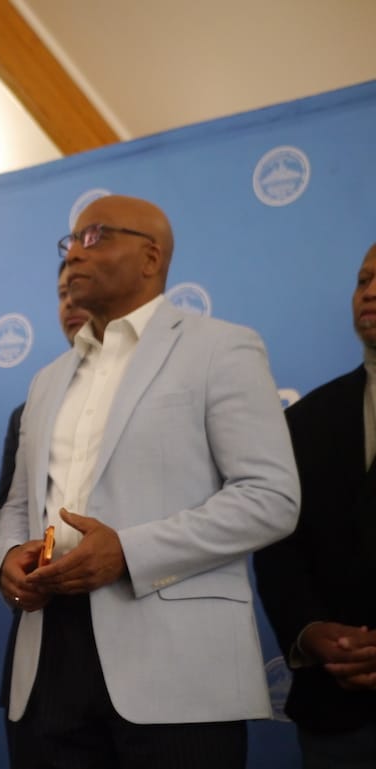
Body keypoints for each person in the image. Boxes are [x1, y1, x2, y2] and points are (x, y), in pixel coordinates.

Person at [0, 194, 300, 768]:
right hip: (47, 660)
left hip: (178, 672)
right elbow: (19, 505)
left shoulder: (221, 348)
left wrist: (128, 553)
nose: (75, 255)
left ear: (151, 257)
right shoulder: (46, 379)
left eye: (96, 237)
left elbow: (271, 498)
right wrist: (10, 556)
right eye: (69, 243)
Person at [254, 242, 376, 768]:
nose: (369, 292)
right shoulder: (307, 419)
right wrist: (309, 631)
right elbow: (279, 546)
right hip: (335, 709)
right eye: (363, 280)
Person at [0, 261, 91, 571]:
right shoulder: (30, 407)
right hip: (41, 601)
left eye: (80, 290)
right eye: (62, 293)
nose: (70, 302)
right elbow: (12, 507)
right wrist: (9, 561)